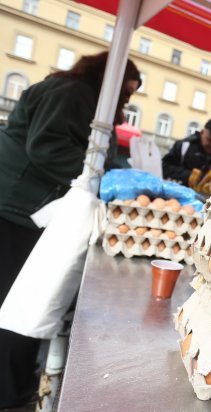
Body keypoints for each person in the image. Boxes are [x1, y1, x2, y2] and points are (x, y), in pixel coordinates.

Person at [0, 52, 141, 408]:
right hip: (18, 204)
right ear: (106, 77)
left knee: (19, 301)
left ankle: (12, 384)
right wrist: (95, 179)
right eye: (125, 91)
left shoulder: (81, 96)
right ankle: (8, 391)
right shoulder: (73, 93)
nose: (127, 99)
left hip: (28, 206)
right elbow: (47, 147)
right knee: (19, 303)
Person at [162, 117, 211, 188]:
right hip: (179, 193)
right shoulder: (184, 146)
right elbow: (163, 167)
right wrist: (188, 175)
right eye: (209, 140)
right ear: (202, 132)